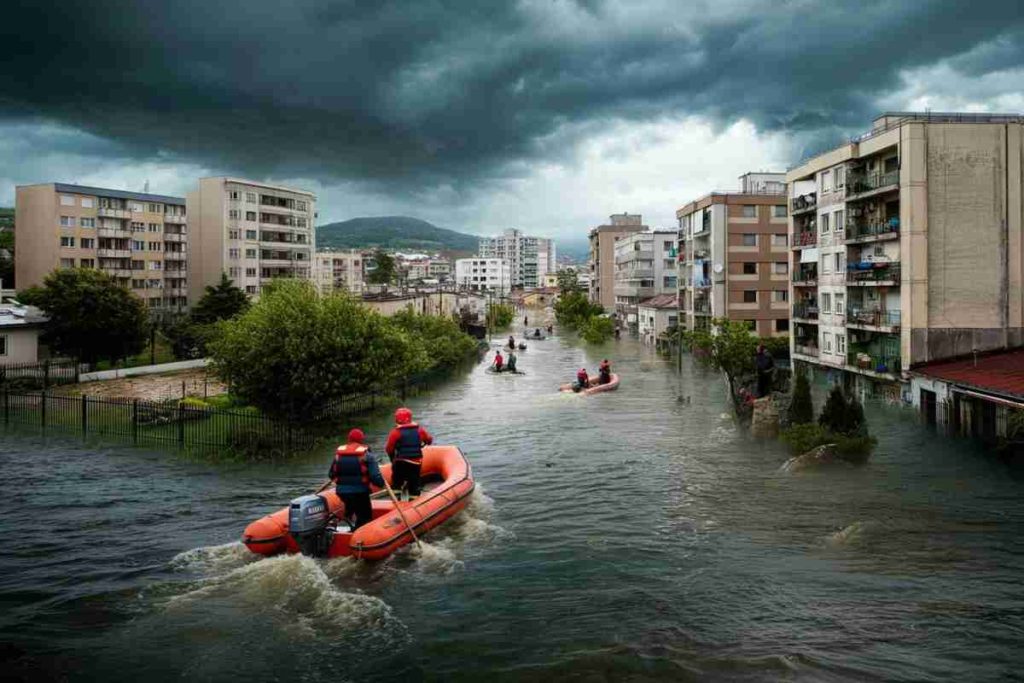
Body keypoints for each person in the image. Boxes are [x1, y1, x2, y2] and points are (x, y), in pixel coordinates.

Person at [329, 428, 385, 530]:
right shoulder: (367, 455)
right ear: (362, 439)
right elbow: (374, 476)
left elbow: (331, 474)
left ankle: (347, 517)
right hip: (360, 492)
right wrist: (382, 484)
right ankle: (358, 534)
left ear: (349, 439)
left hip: (342, 492)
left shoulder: (339, 455)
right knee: (365, 516)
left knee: (351, 505)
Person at [385, 407, 433, 496]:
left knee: (397, 483)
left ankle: (397, 498)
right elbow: (429, 440)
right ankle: (414, 498)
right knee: (414, 485)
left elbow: (389, 449)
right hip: (415, 462)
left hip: (400, 462)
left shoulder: (395, 432)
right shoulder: (419, 430)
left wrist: (392, 459)